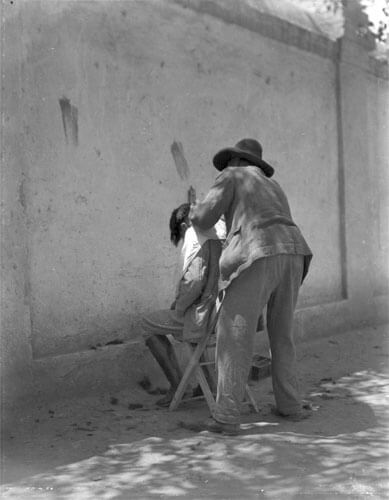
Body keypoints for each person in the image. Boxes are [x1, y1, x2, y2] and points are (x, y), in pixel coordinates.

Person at [186, 138, 313, 435]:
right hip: (294, 252)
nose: (228, 165)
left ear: (239, 161)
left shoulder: (231, 175)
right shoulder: (274, 186)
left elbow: (204, 218)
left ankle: (227, 416)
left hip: (257, 252)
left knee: (234, 336)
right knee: (281, 334)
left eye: (231, 160)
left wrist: (194, 209)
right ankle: (291, 406)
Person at [141, 202, 225, 406]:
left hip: (199, 316)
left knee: (147, 325)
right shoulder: (217, 235)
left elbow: (194, 281)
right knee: (196, 338)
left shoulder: (195, 238)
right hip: (217, 316)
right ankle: (209, 385)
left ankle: (178, 386)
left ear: (184, 225)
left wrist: (178, 307)